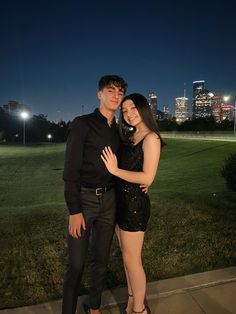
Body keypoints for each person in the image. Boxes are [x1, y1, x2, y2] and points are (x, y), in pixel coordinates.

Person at [62, 75, 128, 314]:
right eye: (111, 91)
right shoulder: (83, 124)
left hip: (109, 201)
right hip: (84, 200)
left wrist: (143, 181)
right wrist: (74, 210)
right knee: (77, 264)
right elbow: (70, 171)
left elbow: (126, 164)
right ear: (99, 94)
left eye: (120, 92)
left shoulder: (119, 130)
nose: (116, 96)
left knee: (100, 261)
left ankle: (94, 306)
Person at [101, 93, 164, 314]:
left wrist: (115, 170)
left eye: (133, 108)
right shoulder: (130, 136)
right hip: (120, 202)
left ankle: (139, 310)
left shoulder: (151, 138)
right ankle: (130, 301)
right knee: (127, 260)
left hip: (134, 206)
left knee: (133, 261)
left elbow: (147, 178)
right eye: (125, 110)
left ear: (143, 108)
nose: (128, 114)